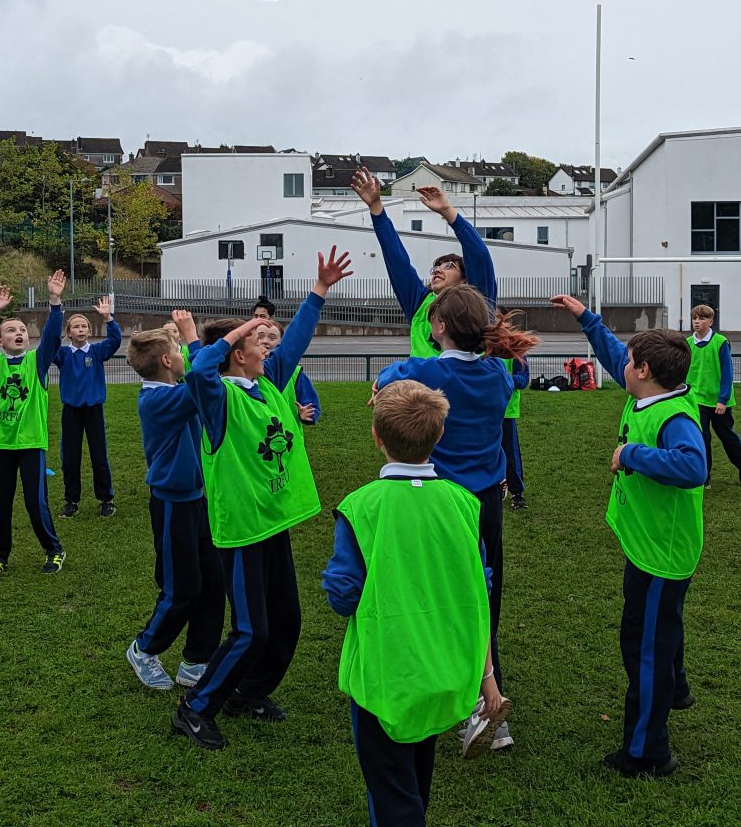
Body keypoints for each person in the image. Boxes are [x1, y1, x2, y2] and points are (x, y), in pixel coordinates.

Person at [172, 247, 352, 750]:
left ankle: (247, 693)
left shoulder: (266, 384)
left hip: (273, 522)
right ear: (237, 354)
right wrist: (224, 334)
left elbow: (292, 343)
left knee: (286, 622)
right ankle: (194, 707)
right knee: (250, 629)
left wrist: (319, 292)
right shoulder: (220, 398)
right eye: (257, 342)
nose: (267, 347)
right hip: (242, 528)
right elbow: (197, 371)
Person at [323, 380, 510, 827]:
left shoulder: (361, 506)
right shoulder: (465, 504)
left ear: (376, 436)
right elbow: (479, 589)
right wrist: (487, 676)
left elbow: (343, 593)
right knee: (414, 781)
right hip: (445, 672)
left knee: (392, 796)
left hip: (386, 677)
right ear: (439, 435)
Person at [374, 284, 537, 752]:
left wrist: (387, 382)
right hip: (486, 503)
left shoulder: (425, 370)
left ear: (439, 326)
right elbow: (513, 380)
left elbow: (390, 376)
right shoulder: (497, 375)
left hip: (441, 504)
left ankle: (478, 707)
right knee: (482, 600)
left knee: (445, 601)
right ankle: (488, 704)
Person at [550, 294, 707, 778]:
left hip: (661, 553)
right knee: (656, 633)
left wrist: (632, 455)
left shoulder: (673, 417)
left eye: (630, 362)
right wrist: (584, 317)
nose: (622, 365)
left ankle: (647, 754)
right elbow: (613, 353)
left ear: (643, 371)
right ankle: (675, 687)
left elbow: (693, 466)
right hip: (645, 545)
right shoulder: (648, 392)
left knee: (644, 647)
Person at [125, 310, 226, 691]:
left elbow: (195, 379)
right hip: (171, 505)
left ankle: (196, 662)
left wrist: (178, 339)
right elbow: (202, 377)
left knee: (213, 583)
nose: (184, 353)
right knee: (181, 589)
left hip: (198, 500)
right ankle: (144, 648)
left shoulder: (172, 390)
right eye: (178, 351)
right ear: (167, 362)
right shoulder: (158, 400)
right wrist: (191, 337)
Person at [0, 273, 67, 575]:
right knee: (0, 503)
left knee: (34, 501)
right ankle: (0, 556)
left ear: (28, 338)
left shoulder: (37, 363)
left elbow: (52, 336)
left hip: (29, 443)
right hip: (0, 443)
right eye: (11, 330)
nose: (18, 333)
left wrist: (54, 301)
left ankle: (54, 550)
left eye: (23, 330)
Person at [351, 169, 496, 356]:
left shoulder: (476, 303)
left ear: (465, 280)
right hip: (422, 386)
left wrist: (447, 212)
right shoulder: (420, 303)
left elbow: (479, 255)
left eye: (448, 266)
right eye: (436, 266)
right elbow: (397, 261)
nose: (438, 270)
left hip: (461, 384)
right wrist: (376, 208)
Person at [53, 297, 122, 518]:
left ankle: (106, 499)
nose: (80, 329)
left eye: (84, 326)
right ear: (69, 332)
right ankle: (71, 500)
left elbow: (116, 339)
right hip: (71, 413)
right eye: (76, 326)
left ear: (89, 331)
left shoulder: (97, 351)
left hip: (94, 412)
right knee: (70, 458)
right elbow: (49, 343)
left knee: (99, 456)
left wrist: (107, 317)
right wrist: (55, 317)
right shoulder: (62, 354)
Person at [685, 304, 741, 487]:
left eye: (701, 318)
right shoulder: (688, 344)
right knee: (702, 439)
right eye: (694, 318)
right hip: (697, 401)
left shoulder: (720, 342)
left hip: (719, 403)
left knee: (728, 438)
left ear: (711, 321)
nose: (696, 321)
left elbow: (727, 373)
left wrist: (722, 399)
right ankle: (704, 478)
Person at [256, 320, 321, 427]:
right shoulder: (244, 370)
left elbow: (311, 404)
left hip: (288, 437)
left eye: (272, 338)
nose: (265, 341)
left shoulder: (295, 373)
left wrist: (307, 414)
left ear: (282, 342)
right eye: (260, 337)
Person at [499, 355, 530, 510]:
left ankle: (517, 494)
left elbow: (523, 380)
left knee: (511, 453)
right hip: (484, 410)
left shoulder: (516, 352)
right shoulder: (481, 345)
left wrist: (503, 377)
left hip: (507, 413)